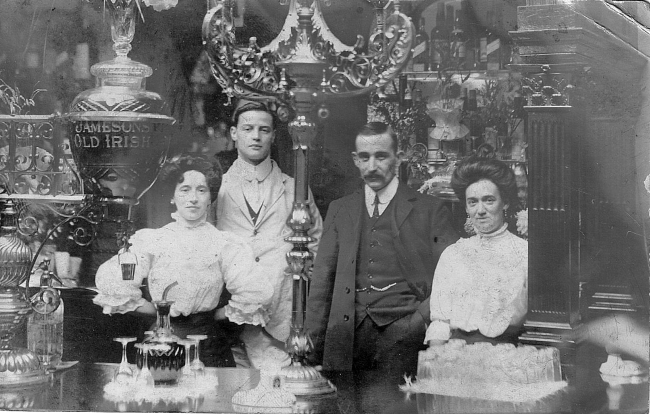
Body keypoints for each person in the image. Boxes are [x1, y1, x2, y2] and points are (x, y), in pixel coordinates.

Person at [304, 122, 458, 376]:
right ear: (355, 159)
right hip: (346, 336)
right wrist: (311, 347)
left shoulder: (430, 210)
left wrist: (417, 322)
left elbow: (451, 279)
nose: (372, 166)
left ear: (398, 158)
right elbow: (322, 284)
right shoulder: (340, 209)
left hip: (405, 336)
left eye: (381, 156)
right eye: (365, 157)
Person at [93, 154, 273, 367]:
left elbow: (253, 293)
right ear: (173, 196)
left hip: (208, 346)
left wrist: (212, 316)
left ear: (210, 197)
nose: (193, 198)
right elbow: (117, 283)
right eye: (185, 189)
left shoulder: (224, 243)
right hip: (161, 343)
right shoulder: (153, 240)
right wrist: (157, 310)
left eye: (201, 190)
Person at [216, 100, 323, 368]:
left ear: (274, 136)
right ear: (233, 133)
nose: (255, 136)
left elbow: (317, 243)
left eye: (264, 130)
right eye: (248, 128)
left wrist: (296, 283)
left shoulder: (294, 188)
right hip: (232, 319)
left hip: (281, 316)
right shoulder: (215, 187)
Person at [425, 154, 528, 346]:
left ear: (504, 202)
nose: (480, 210)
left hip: (508, 354)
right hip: (457, 355)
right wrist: (435, 363)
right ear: (466, 207)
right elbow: (440, 322)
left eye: (488, 200)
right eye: (472, 202)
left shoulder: (524, 254)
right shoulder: (453, 255)